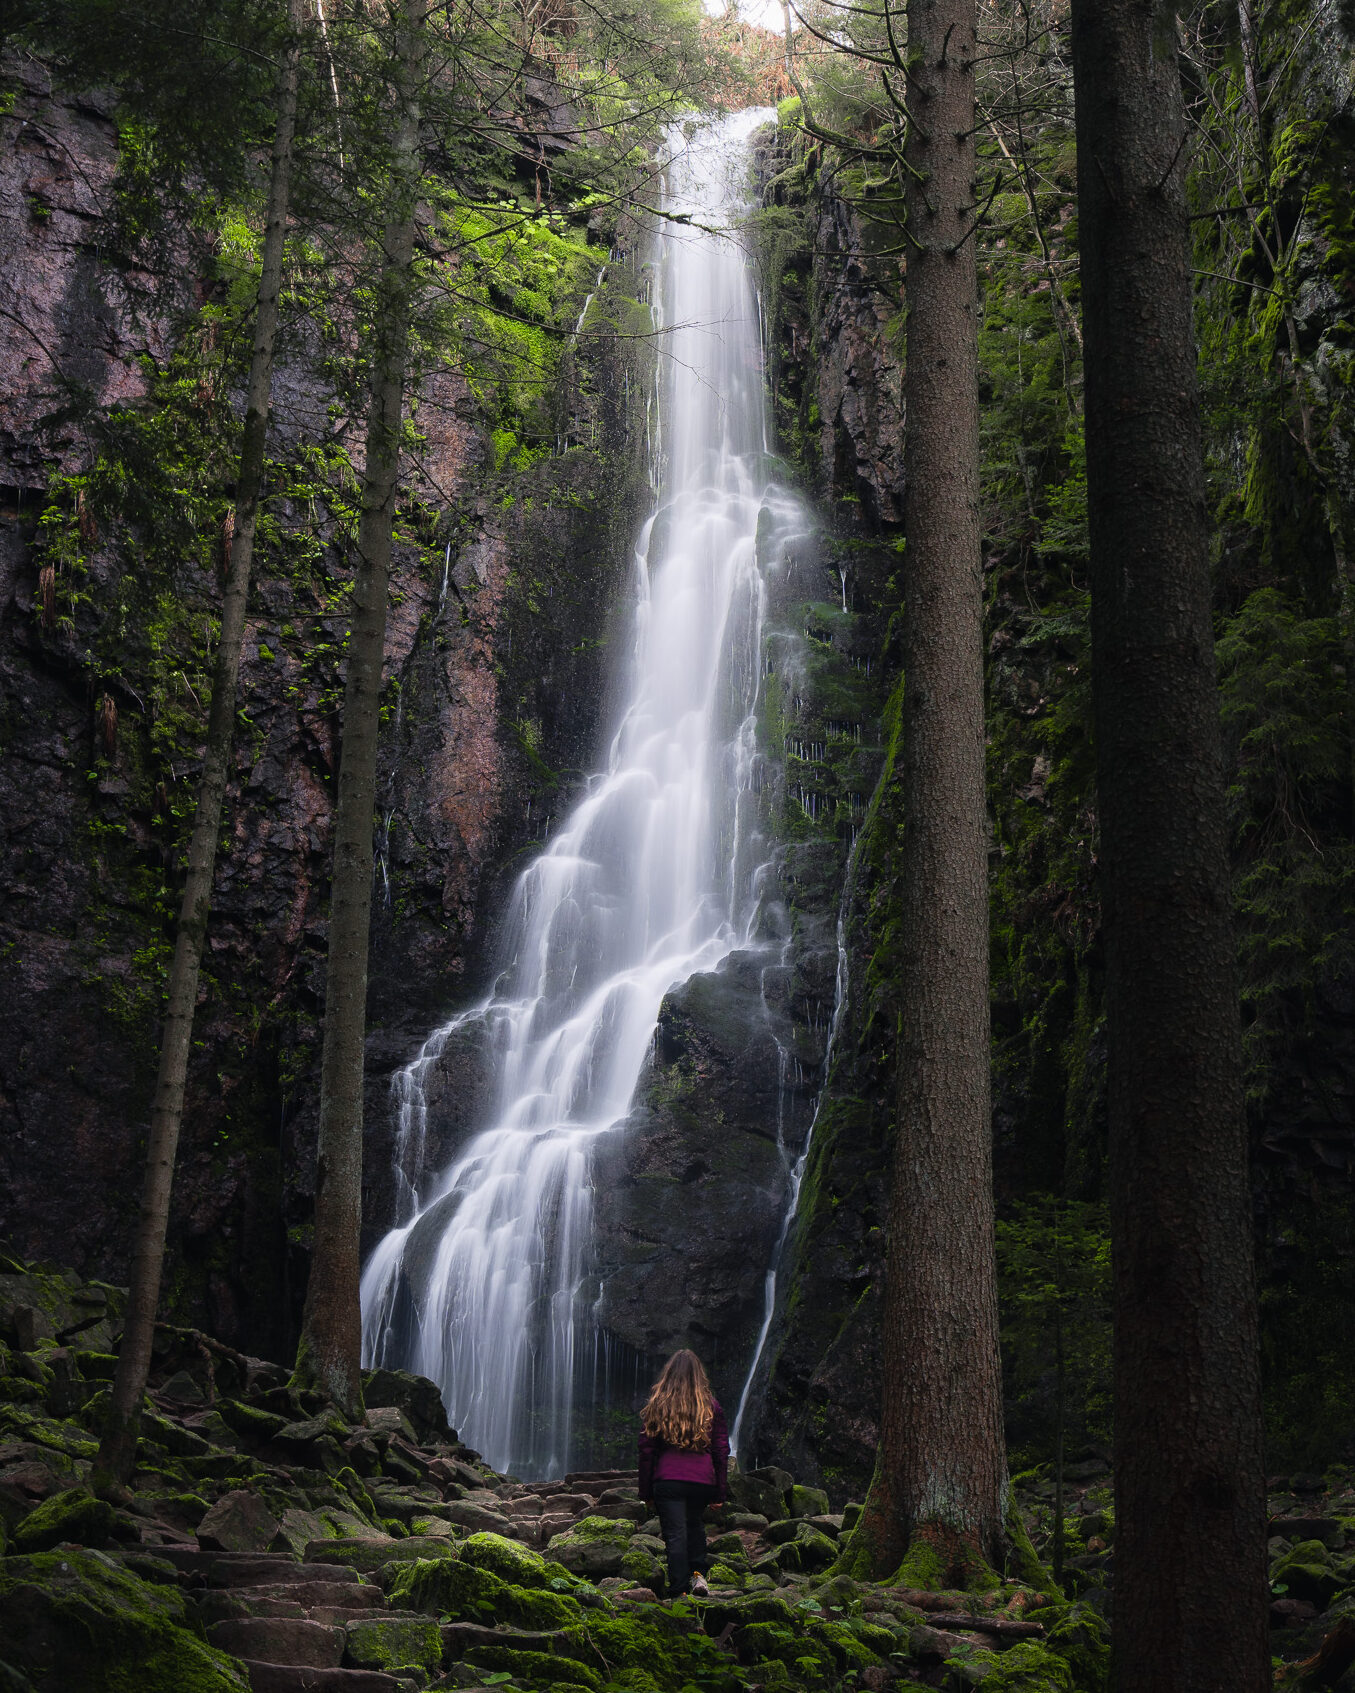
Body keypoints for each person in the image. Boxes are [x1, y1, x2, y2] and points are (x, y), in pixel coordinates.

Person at [637, 1348, 728, 1599]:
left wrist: (645, 1492)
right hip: (702, 1482)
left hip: (668, 1481)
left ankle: (678, 1591)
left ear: (669, 1375)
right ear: (699, 1376)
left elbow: (646, 1452)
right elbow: (721, 1451)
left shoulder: (658, 1404)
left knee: (675, 1535)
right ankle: (699, 1576)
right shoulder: (711, 1407)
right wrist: (720, 1490)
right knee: (695, 1525)